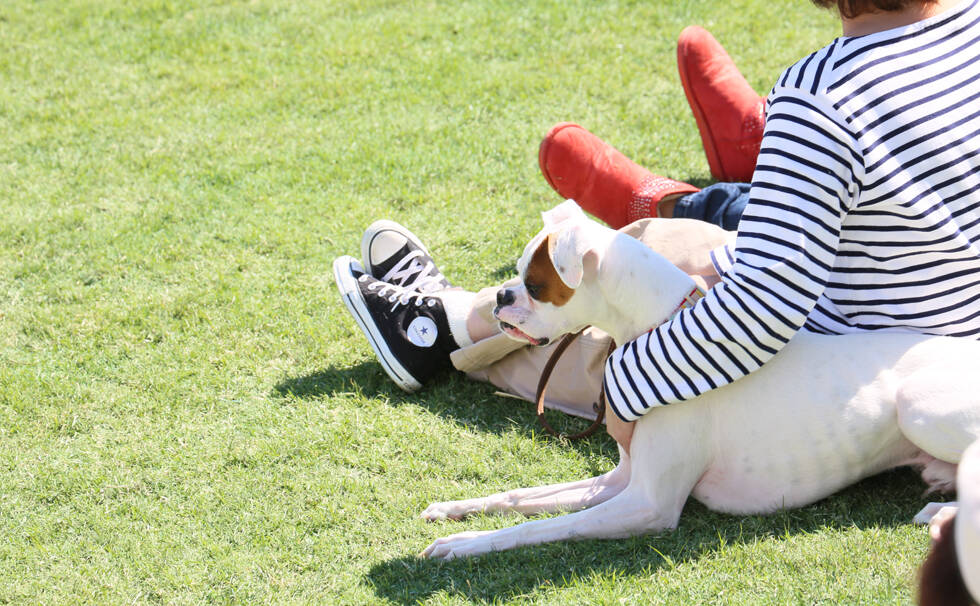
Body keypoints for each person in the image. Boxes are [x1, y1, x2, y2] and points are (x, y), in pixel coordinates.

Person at [334, 0, 980, 454]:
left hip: (845, 372)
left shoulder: (823, 95)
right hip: (936, 331)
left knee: (593, 333)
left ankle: (434, 332)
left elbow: (761, 313)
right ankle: (458, 311)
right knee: (648, 250)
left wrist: (632, 383)